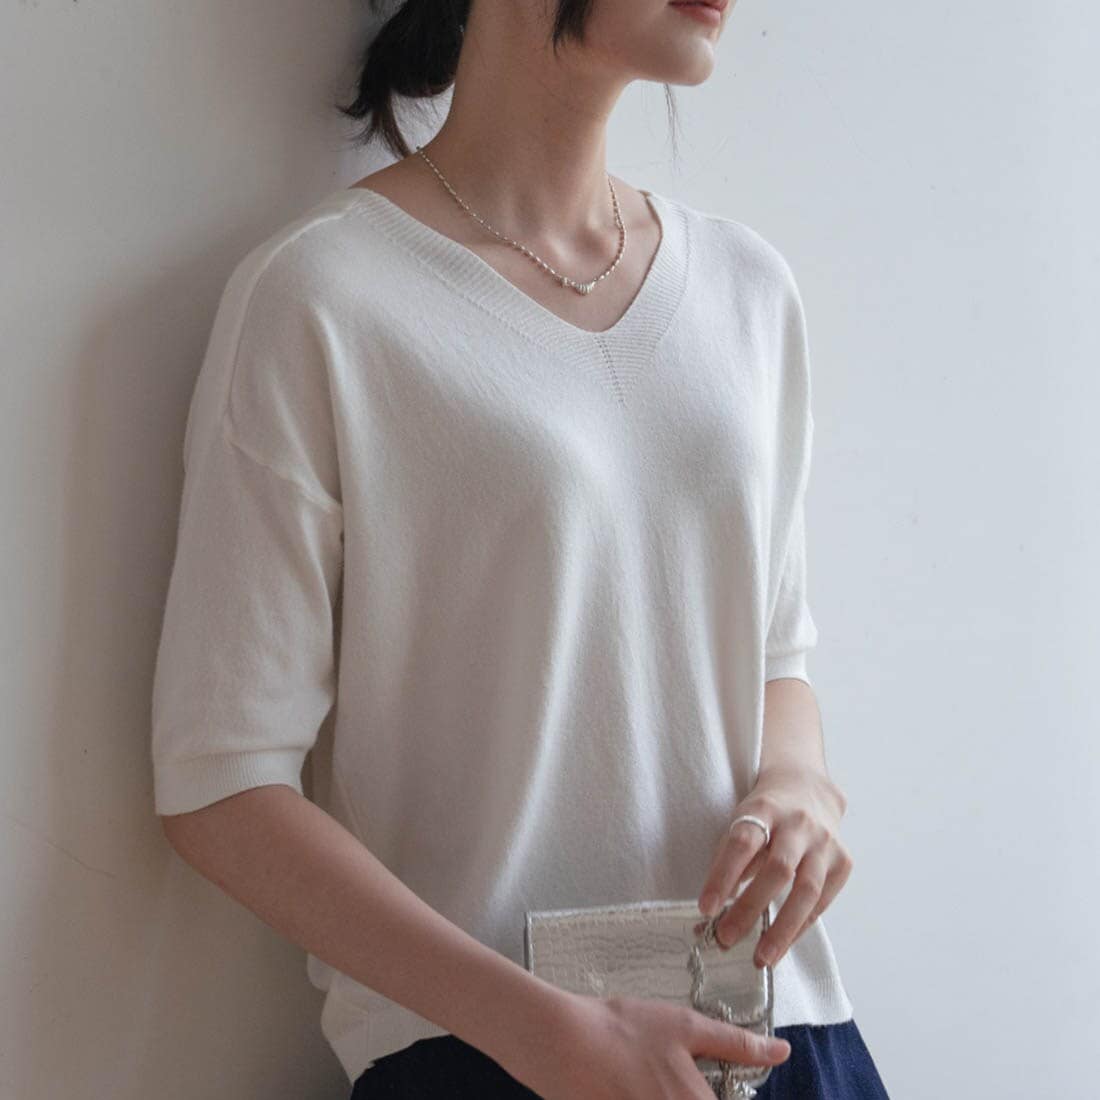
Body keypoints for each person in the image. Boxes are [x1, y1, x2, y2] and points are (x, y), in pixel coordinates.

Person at [151, 0, 892, 1097]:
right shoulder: (322, 296)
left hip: (786, 1032)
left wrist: (798, 788)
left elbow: (776, 652)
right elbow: (220, 783)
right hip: (489, 1054)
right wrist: (536, 1029)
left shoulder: (746, 289)